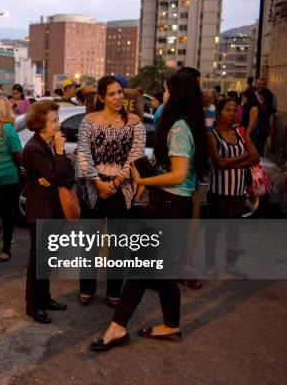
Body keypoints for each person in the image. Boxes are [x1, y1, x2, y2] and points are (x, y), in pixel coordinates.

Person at [90, 72, 209, 352]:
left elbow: (178, 175)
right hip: (173, 206)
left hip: (168, 207)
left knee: (140, 268)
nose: (163, 97)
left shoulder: (179, 127)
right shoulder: (190, 123)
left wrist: (143, 180)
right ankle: (170, 325)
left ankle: (117, 328)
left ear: (176, 95)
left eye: (167, 92)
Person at [76, 76, 145, 308]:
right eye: (112, 94)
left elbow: (136, 155)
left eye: (120, 93)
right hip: (93, 187)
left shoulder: (134, 121)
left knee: (118, 244)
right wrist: (98, 182)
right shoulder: (88, 120)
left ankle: (114, 290)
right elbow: (83, 154)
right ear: (102, 97)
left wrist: (114, 184)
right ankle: (86, 288)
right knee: (89, 242)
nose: (118, 98)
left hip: (121, 188)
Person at [23, 100, 72, 324]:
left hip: (54, 208)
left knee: (48, 259)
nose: (58, 125)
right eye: (53, 121)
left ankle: (45, 298)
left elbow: (67, 177)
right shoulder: (34, 148)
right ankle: (33, 306)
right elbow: (57, 177)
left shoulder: (49, 143)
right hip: (41, 210)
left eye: (57, 120)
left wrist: (55, 174)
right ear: (40, 124)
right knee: (38, 262)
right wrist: (60, 154)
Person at [205, 98, 259, 278]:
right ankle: (210, 266)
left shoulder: (242, 133)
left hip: (237, 193)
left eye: (234, 110)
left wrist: (231, 164)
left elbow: (256, 158)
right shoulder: (212, 136)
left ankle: (231, 265)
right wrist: (243, 157)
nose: (232, 113)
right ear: (219, 112)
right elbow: (218, 163)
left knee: (233, 231)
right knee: (213, 231)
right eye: (228, 110)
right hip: (218, 193)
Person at [0, 95, 23, 262]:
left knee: (6, 215)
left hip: (8, 179)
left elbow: (18, 153)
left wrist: (20, 168)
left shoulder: (7, 128)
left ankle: (6, 248)